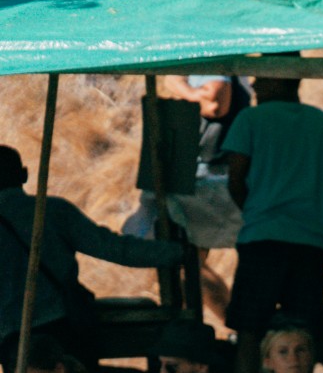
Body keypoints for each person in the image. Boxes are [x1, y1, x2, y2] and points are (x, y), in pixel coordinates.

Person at [220, 76, 323, 373]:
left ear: (282, 77)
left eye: (260, 78)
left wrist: (256, 210)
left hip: (262, 239)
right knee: (303, 332)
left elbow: (235, 179)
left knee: (250, 331)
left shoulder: (250, 119)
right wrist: (315, 213)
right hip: (309, 242)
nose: (253, 85)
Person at [0, 145, 185, 360]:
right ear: (24, 174)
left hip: (10, 335)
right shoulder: (51, 211)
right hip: (62, 322)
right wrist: (175, 252)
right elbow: (115, 249)